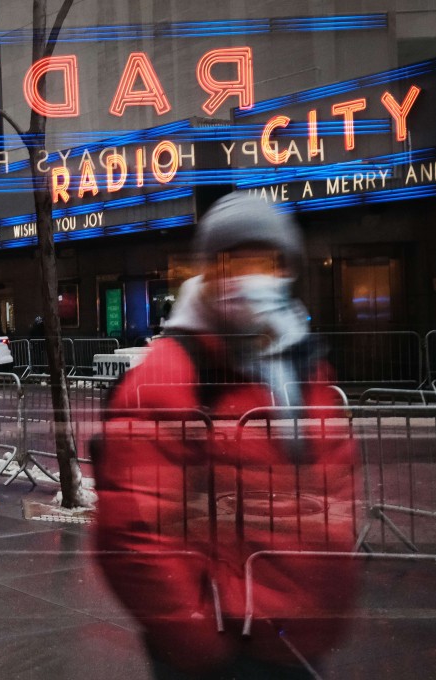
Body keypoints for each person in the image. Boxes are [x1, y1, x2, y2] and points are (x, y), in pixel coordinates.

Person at [93, 193, 359, 678]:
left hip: (299, 648)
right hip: (227, 657)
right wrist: (201, 646)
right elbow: (133, 534)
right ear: (208, 272)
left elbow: (335, 498)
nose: (253, 277)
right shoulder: (169, 377)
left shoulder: (305, 367)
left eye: (269, 261)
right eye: (235, 261)